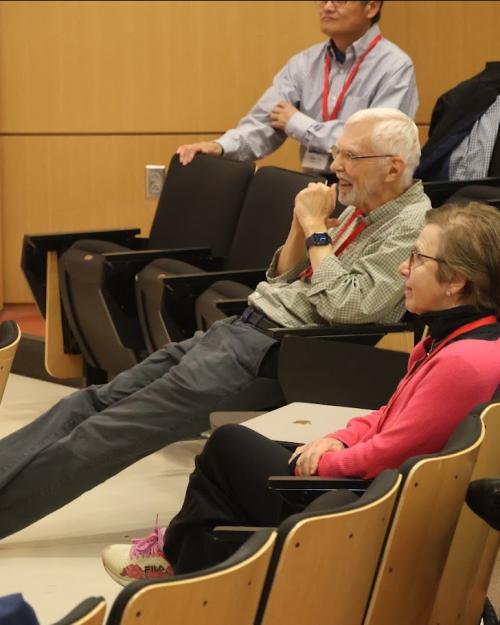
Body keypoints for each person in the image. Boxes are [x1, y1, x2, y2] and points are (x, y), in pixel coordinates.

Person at [0, 108, 429, 539]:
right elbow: (280, 276)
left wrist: (318, 228)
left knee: (110, 430)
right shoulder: (364, 205)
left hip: (281, 353)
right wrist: (302, 227)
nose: (335, 166)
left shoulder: (410, 226)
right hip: (241, 330)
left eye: (350, 157)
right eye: (336, 153)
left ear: (393, 167)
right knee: (90, 402)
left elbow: (349, 309)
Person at [102, 201, 500, 584]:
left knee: (227, 448)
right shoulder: (456, 342)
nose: (402, 267)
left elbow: (392, 454)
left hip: (366, 512)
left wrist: (322, 464)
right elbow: (387, 415)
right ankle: (191, 571)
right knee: (225, 488)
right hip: (378, 497)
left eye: (417, 258)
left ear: (456, 281)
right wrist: (336, 438)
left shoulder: (461, 362)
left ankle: (180, 569)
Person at [177, 0, 418, 173]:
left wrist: (298, 124)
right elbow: (263, 122)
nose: (328, 7)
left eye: (340, 0)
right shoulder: (304, 64)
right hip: (313, 187)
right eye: (322, 0)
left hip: (367, 197)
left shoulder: (395, 67)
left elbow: (372, 143)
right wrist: (219, 147)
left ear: (372, 7)